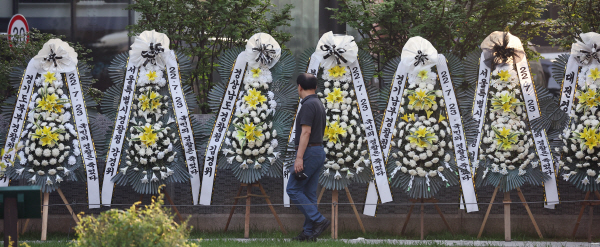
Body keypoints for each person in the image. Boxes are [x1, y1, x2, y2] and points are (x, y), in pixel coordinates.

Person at [286, 73, 330, 242]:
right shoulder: (318, 103)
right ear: (316, 87)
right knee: (310, 194)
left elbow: (306, 132)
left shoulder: (308, 105)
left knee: (293, 189)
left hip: (310, 153)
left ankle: (319, 220)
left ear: (299, 87)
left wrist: (299, 158)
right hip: (318, 151)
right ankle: (308, 233)